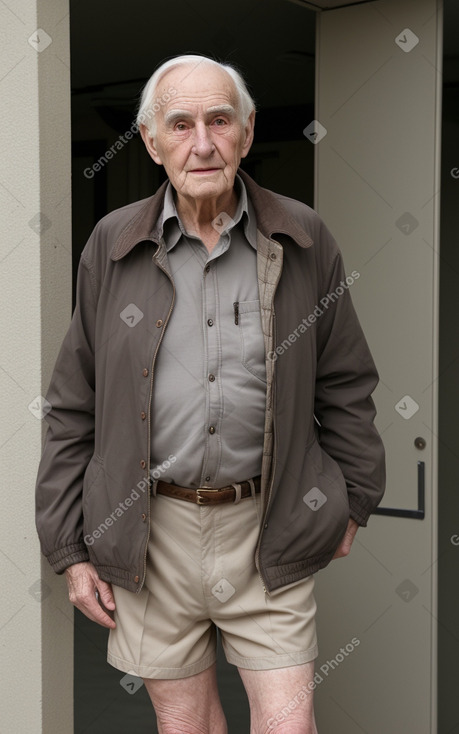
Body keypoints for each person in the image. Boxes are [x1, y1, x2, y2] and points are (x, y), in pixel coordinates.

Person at [35, 54, 385, 734]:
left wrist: (354, 500)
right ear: (151, 141)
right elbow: (73, 403)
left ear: (247, 132)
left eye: (219, 121)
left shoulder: (304, 238)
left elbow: (347, 382)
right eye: (182, 124)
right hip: (147, 532)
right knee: (184, 724)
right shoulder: (111, 244)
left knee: (288, 722)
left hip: (268, 524)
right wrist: (69, 550)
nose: (202, 143)